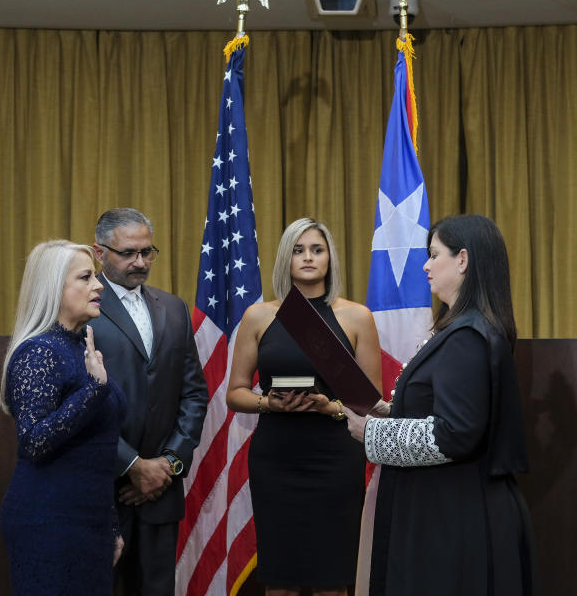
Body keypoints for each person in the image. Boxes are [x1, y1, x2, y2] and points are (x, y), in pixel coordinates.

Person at [344, 214, 538, 595]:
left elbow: (454, 434)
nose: (426, 265)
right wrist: (389, 410)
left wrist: (372, 432)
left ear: (462, 260)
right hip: (447, 512)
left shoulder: (468, 335)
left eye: (434, 255)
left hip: (455, 521)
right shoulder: (464, 328)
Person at [226, 218, 385, 596]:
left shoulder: (357, 316)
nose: (308, 257)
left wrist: (329, 407)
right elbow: (235, 392)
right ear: (286, 258)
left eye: (317, 249)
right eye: (299, 250)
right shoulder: (259, 316)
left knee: (332, 579)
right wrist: (269, 403)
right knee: (280, 580)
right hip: (276, 460)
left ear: (330, 258)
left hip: (335, 460)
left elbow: (371, 403)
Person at [88, 208, 209, 596]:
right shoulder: (83, 308)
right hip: (104, 489)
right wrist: (133, 466)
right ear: (99, 253)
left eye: (147, 251)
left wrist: (166, 466)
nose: (139, 262)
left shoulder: (173, 308)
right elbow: (80, 402)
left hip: (163, 492)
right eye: (127, 253)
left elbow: (193, 393)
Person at [0, 240, 127, 596]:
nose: (99, 285)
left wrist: (110, 525)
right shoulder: (38, 351)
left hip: (90, 523)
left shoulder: (79, 345)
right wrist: (93, 392)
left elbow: (97, 451)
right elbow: (34, 442)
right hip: (48, 523)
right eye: (85, 277)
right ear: (55, 288)